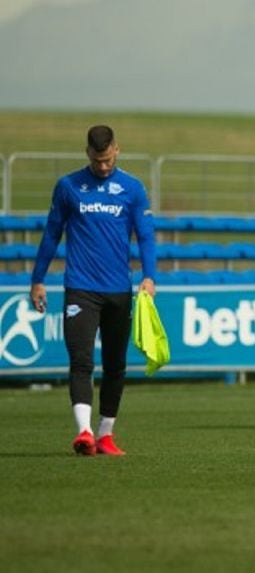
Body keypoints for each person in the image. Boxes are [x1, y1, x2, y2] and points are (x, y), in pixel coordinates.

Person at [30, 125, 157, 457]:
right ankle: (84, 432)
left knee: (115, 365)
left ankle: (105, 434)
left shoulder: (132, 189)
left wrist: (150, 276)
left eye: (107, 159)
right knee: (81, 361)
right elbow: (51, 234)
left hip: (118, 291)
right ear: (88, 152)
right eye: (97, 160)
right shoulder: (69, 187)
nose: (103, 167)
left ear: (117, 148)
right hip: (80, 289)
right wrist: (38, 279)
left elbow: (145, 236)